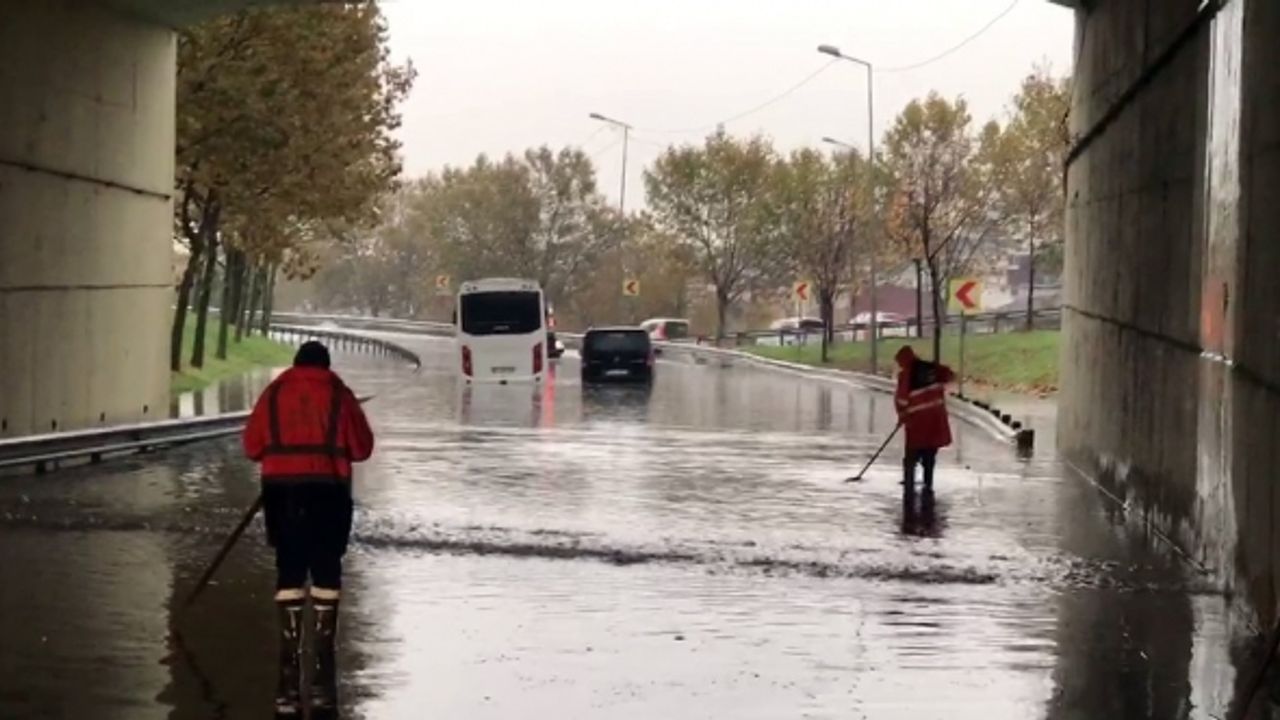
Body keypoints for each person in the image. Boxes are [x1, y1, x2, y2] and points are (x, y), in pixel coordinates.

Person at [243, 341, 375, 718]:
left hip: (281, 492)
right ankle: (323, 647)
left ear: (296, 363)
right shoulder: (340, 394)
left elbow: (253, 446)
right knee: (326, 567)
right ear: (326, 365)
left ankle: (289, 646)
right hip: (328, 490)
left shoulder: (274, 393)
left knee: (289, 565)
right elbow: (362, 448)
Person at [893, 345, 955, 495]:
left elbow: (901, 400)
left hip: (917, 423)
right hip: (936, 420)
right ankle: (928, 483)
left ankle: (909, 485)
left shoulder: (906, 374)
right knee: (930, 454)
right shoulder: (931, 368)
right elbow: (949, 375)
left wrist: (902, 416)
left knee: (911, 456)